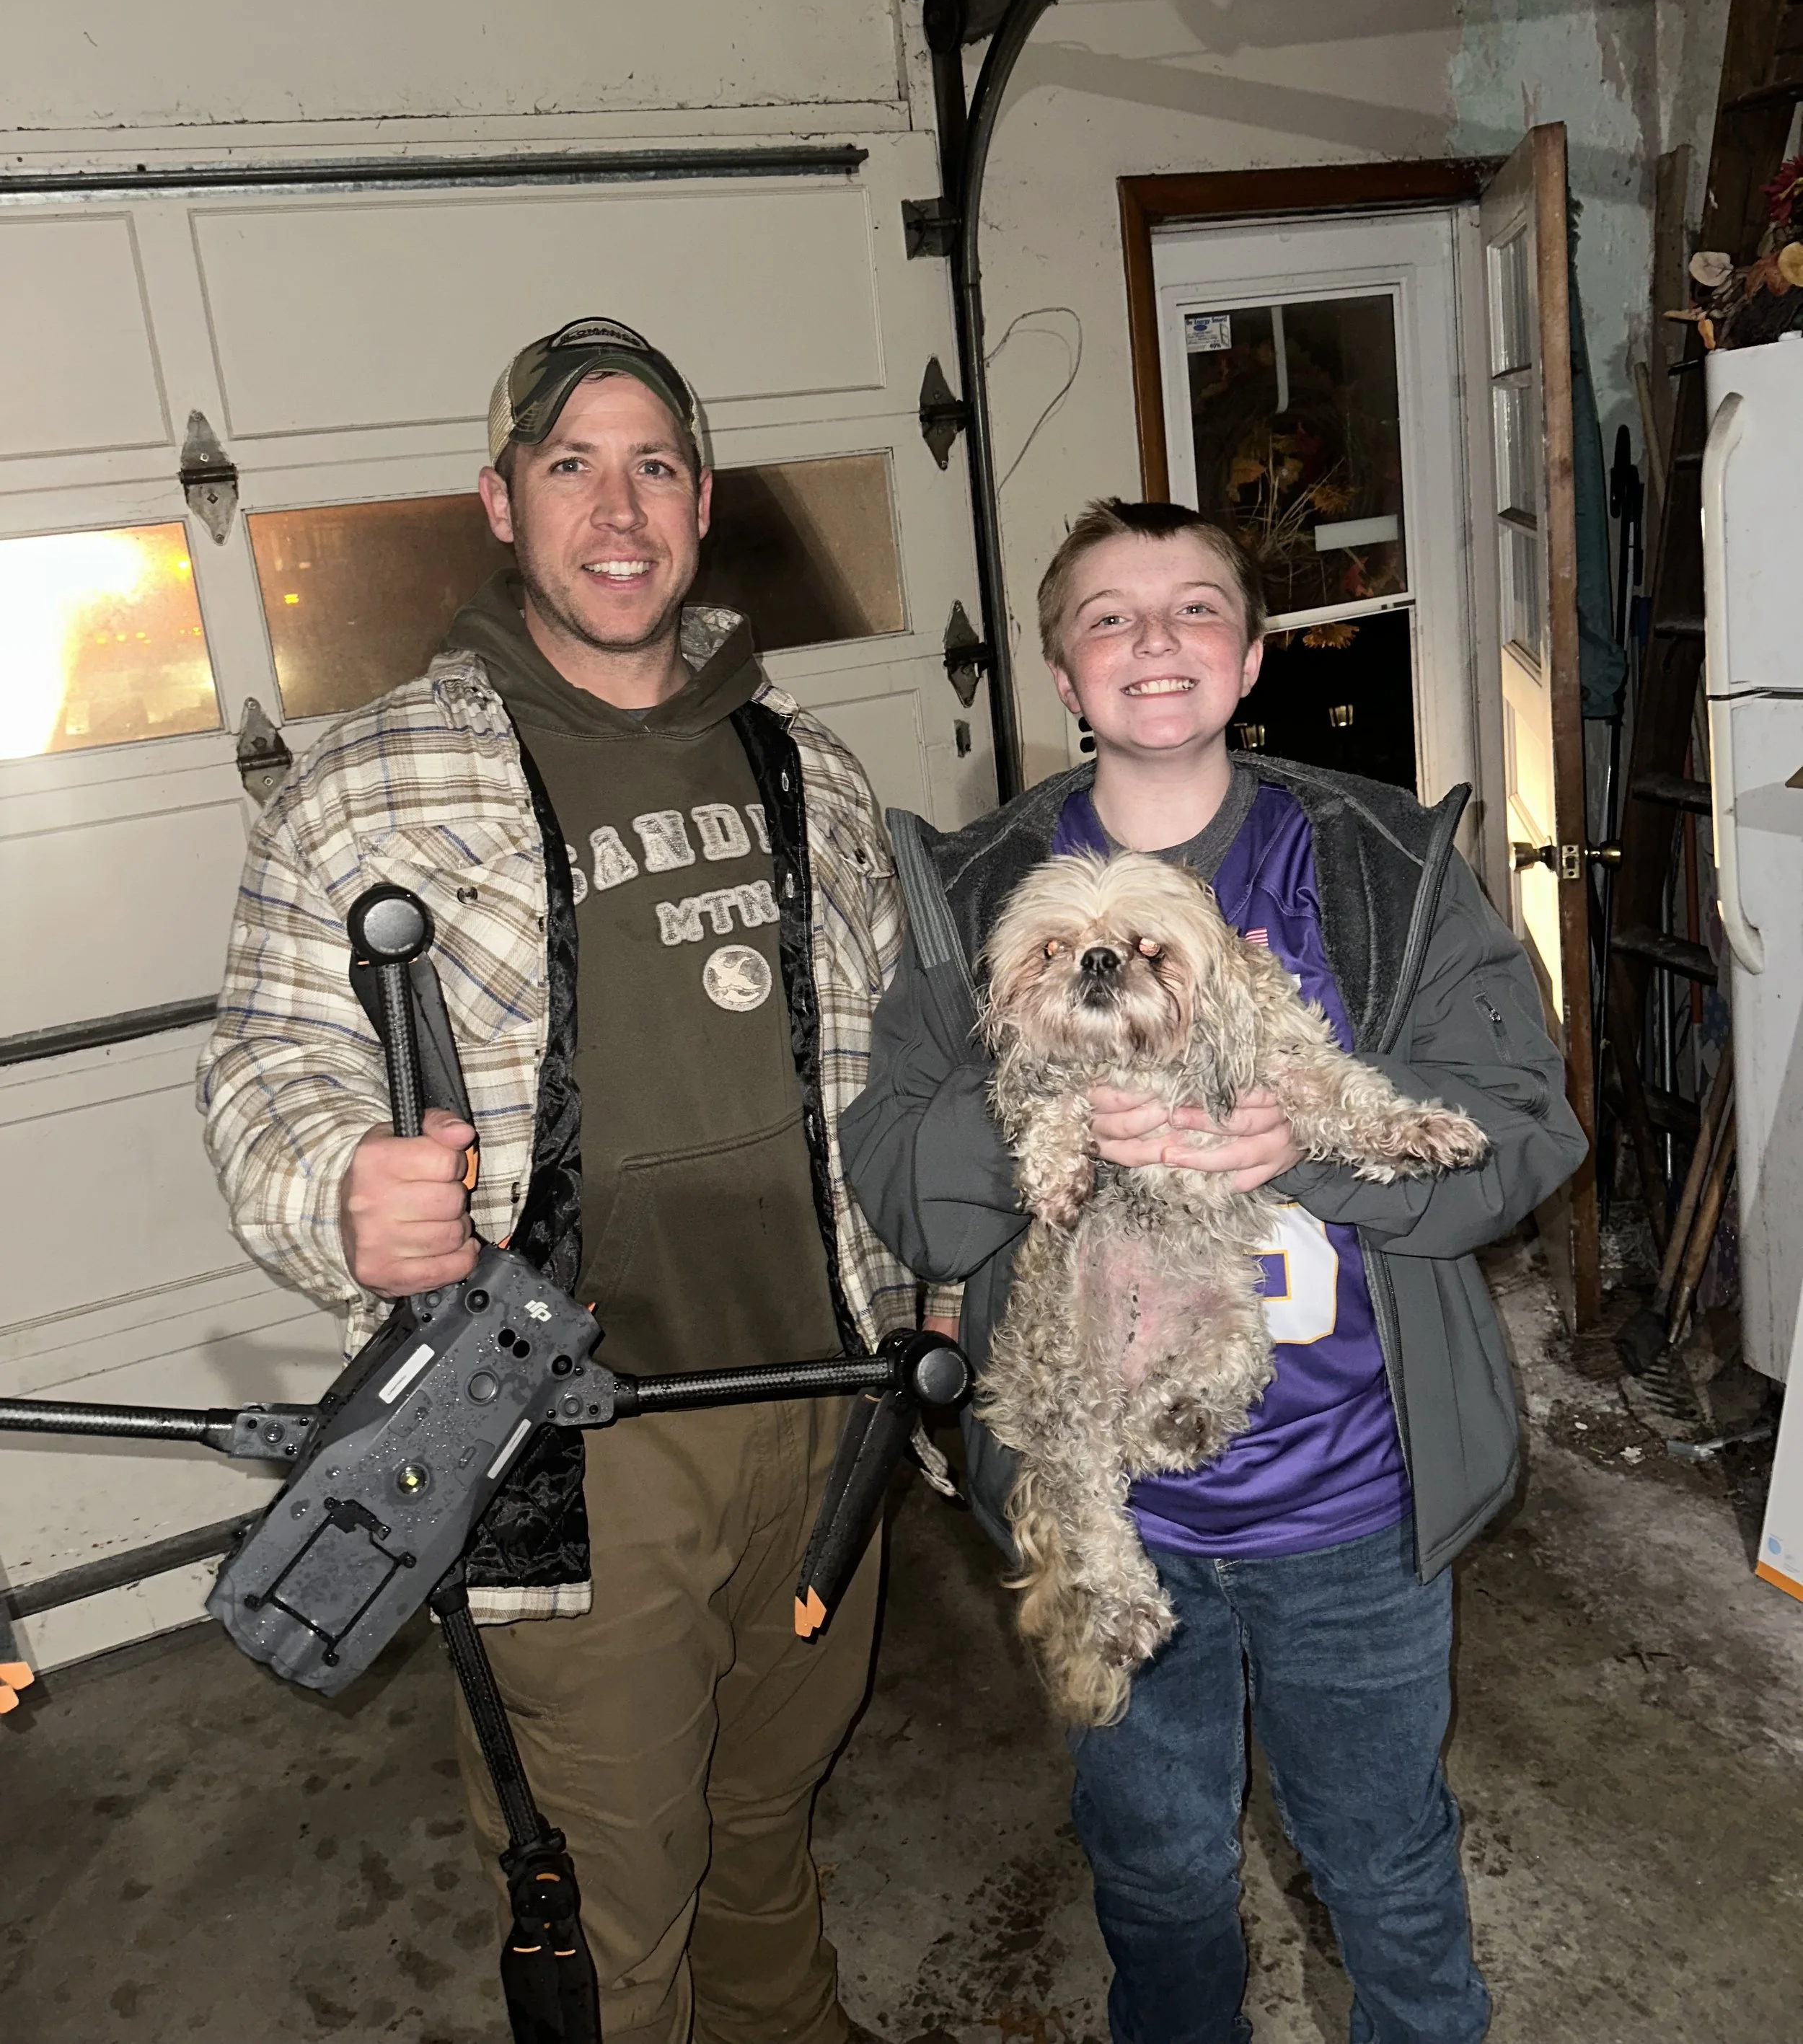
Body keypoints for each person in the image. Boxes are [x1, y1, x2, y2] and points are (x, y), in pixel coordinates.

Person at [201, 315, 927, 2044]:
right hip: (564, 1445)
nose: (618, 510)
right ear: (500, 503)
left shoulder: (807, 765)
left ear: (701, 500)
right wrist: (338, 1191)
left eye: (654, 465)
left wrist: (946, 1294)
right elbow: (268, 1064)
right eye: (571, 466)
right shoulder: (372, 783)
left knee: (770, 1802)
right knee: (609, 1884)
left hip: (817, 1403)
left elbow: (905, 1060)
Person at [841, 496, 1588, 2044]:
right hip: (1110, 1516)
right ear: (1062, 672)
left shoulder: (1382, 862)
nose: (1154, 641)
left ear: (1249, 658)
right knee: (1157, 1875)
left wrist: (1302, 1145)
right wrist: (1037, 1115)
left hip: (1356, 1504)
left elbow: (1521, 1131)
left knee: (1386, 1871)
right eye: (1107, 617)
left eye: (1194, 609)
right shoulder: (973, 894)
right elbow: (896, 1181)